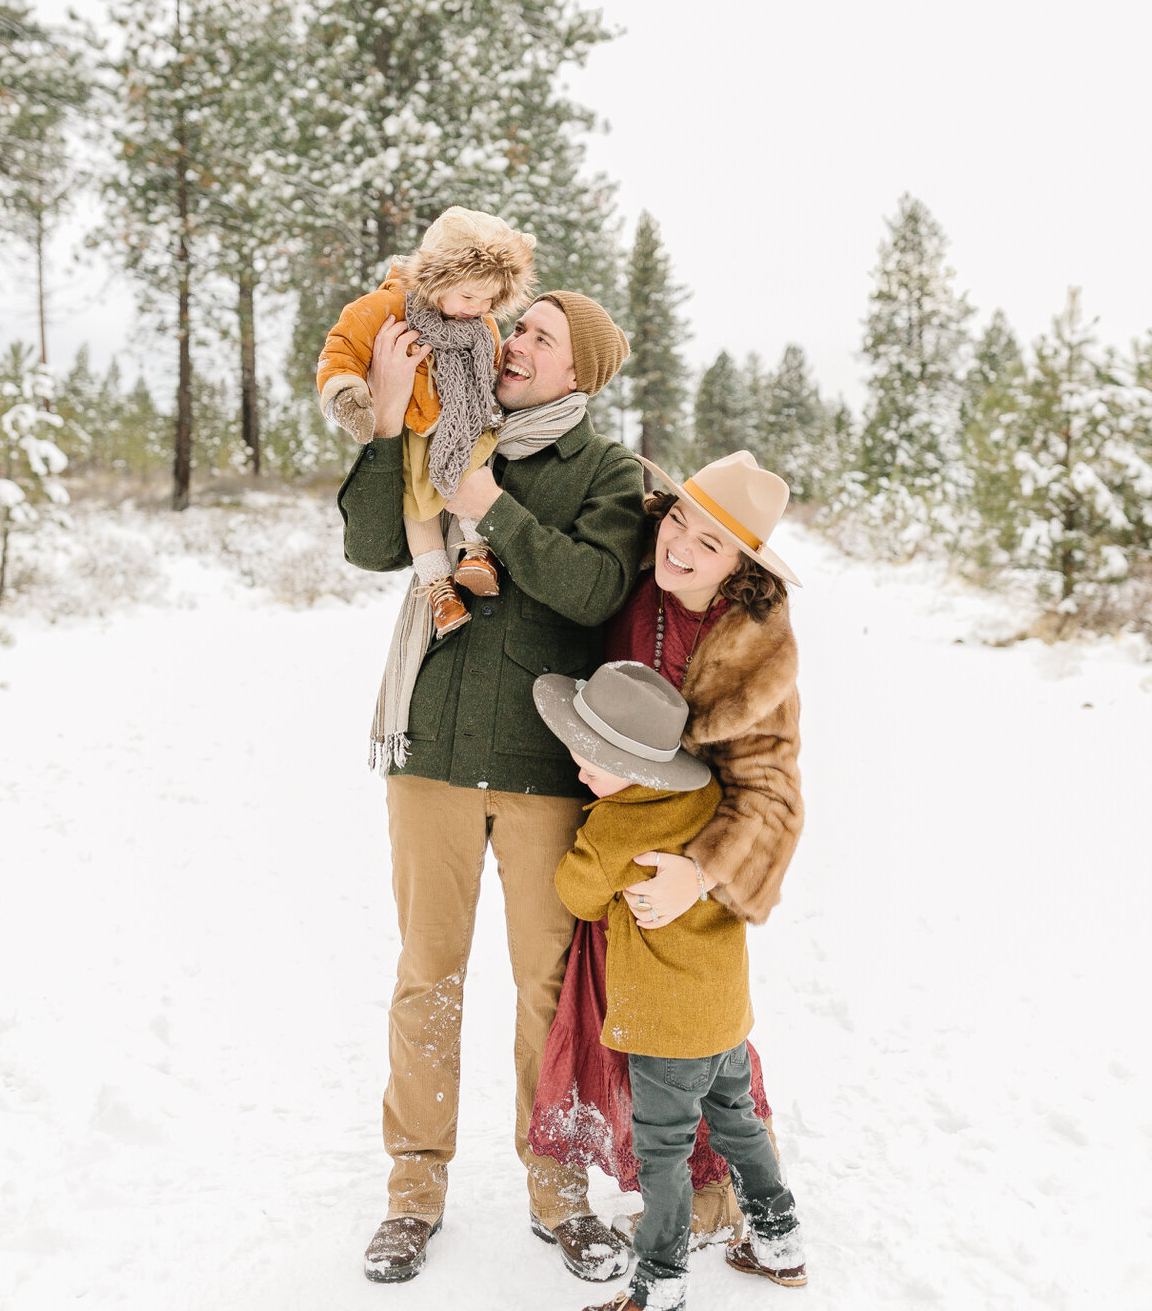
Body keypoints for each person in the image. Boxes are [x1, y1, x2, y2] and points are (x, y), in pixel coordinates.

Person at [337, 286, 646, 1284]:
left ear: (579, 371)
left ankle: (559, 1195)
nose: (513, 343)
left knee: (548, 992)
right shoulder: (449, 425)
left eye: (539, 337)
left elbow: (594, 588)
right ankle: (412, 1195)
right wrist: (390, 421)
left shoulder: (606, 471)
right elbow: (373, 545)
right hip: (430, 748)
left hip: (543, 768)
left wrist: (494, 510)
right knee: (428, 977)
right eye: (518, 326)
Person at [529, 450, 805, 1274]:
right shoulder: (634, 582)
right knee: (622, 1025)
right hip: (618, 833)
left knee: (705, 1047)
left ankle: (707, 1217)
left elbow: (774, 795)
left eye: (710, 542)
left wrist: (701, 872)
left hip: (687, 866)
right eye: (679, 519)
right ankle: (629, 1190)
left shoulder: (753, 648)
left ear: (742, 570)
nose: (681, 545)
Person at [317, 205, 536, 637]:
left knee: (474, 475)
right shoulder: (387, 309)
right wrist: (349, 394)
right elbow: (343, 347)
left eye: (490, 299)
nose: (480, 308)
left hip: (469, 426)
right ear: (437, 279)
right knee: (418, 504)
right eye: (469, 296)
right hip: (416, 433)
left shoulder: (483, 328)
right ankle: (438, 586)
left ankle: (476, 551)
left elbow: (488, 374)